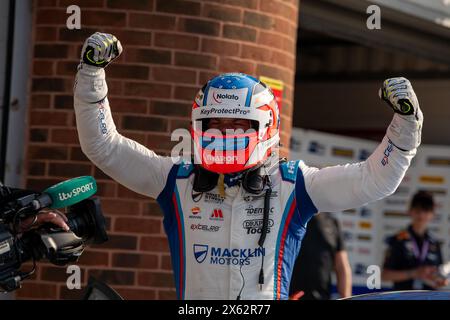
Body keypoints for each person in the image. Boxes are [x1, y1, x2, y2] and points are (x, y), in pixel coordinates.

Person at [73, 32, 423, 300]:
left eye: (238, 126)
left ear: (264, 128)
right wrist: (91, 75)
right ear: (198, 126)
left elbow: (376, 179)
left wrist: (406, 125)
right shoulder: (175, 180)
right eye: (216, 124)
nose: (225, 134)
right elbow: (104, 146)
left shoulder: (294, 184)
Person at [382, 191, 448, 290]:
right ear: (410, 211)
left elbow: (438, 275)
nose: (421, 215)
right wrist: (414, 273)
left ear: (432, 214)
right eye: (417, 210)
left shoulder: (435, 243)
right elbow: (384, 275)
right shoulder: (398, 240)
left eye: (426, 210)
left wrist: (440, 281)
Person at [289, 213, 352, 300]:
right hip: (293, 295)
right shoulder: (293, 219)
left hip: (323, 296)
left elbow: (342, 265)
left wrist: (346, 297)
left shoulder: (332, 222)